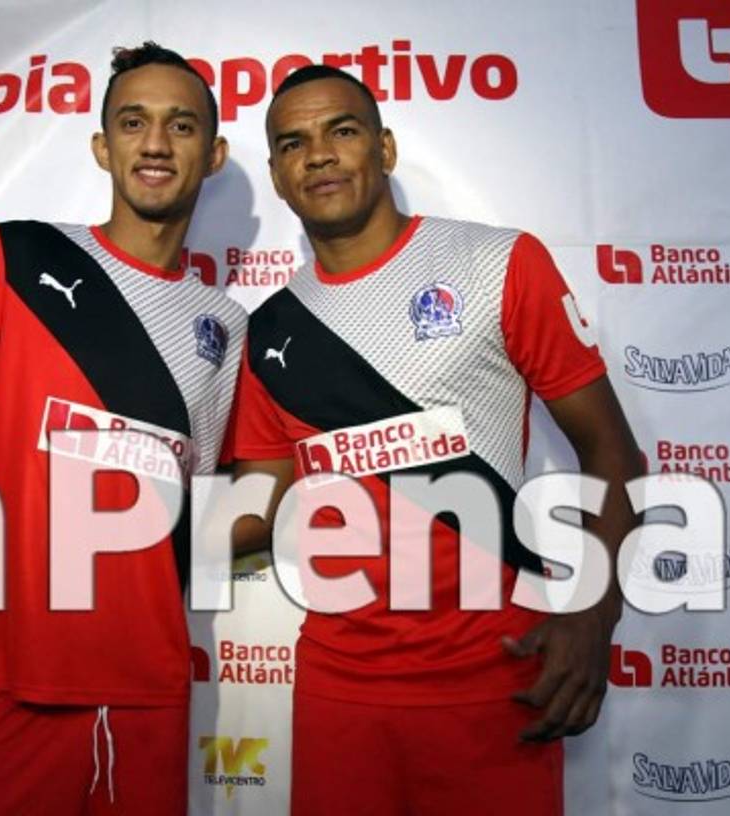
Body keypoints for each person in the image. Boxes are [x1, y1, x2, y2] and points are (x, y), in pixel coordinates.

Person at [229, 65, 644, 815]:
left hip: (501, 678)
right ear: (278, 177)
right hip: (340, 690)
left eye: (342, 130)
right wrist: (108, 511)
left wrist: (593, 609)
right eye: (294, 144)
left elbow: (613, 451)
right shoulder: (270, 333)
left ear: (384, 148)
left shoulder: (496, 263)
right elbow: (251, 514)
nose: (319, 154)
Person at [0, 42, 245, 816]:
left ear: (212, 156)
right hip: (4, 685)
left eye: (181, 126)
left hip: (150, 694)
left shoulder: (226, 325)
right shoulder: (16, 257)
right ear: (101, 146)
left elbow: (196, 508)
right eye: (133, 122)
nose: (154, 144)